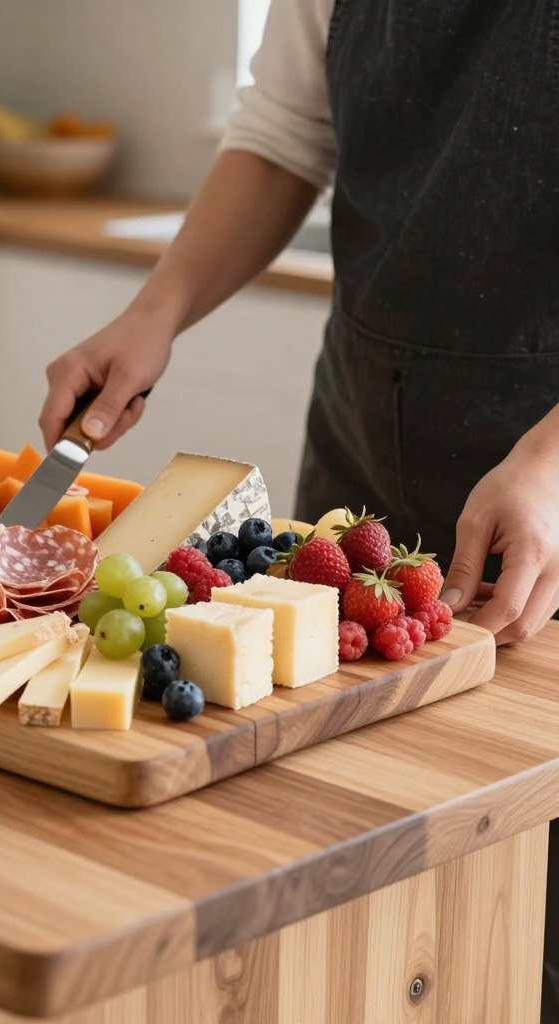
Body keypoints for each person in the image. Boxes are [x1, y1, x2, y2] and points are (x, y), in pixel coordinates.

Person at [37, 1, 559, 1017]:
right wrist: (154, 315)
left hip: (550, 493)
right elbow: (286, 132)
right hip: (362, 449)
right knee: (328, 890)